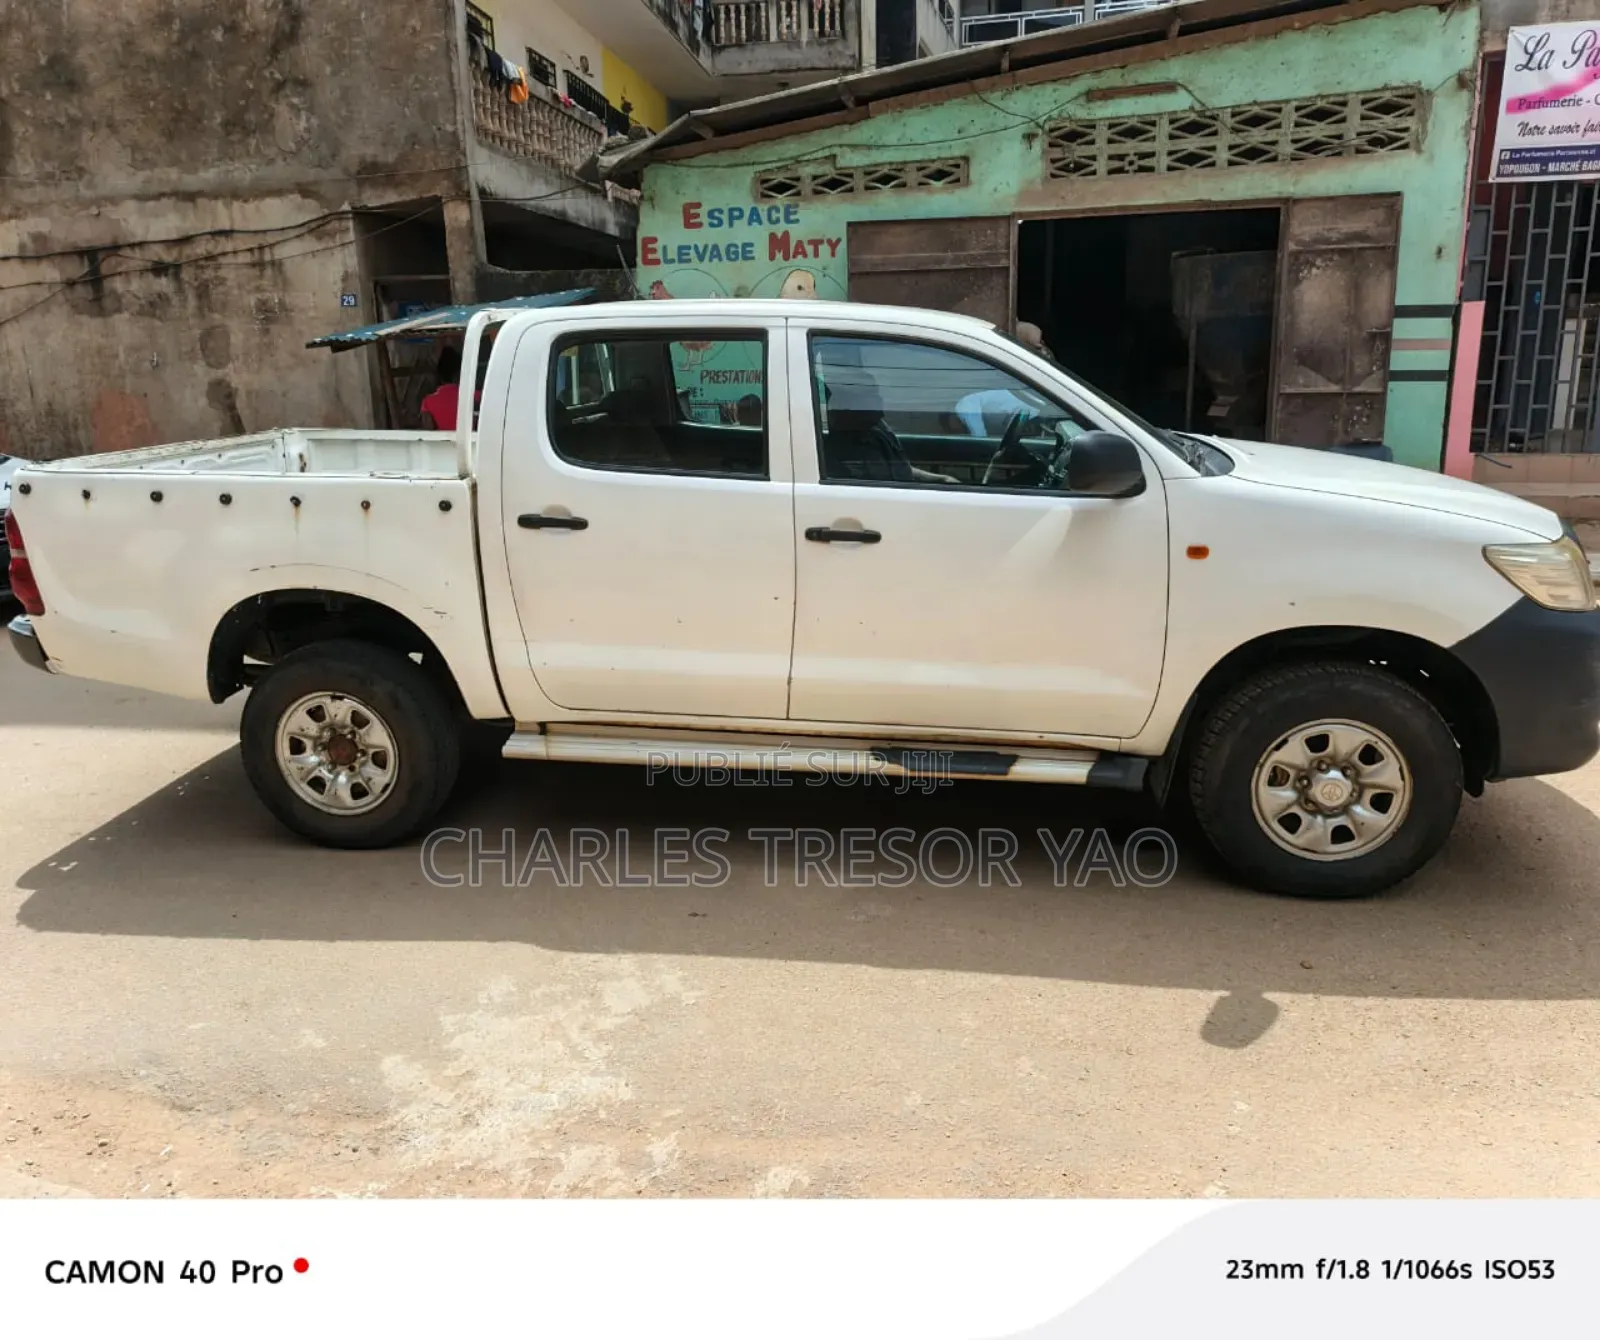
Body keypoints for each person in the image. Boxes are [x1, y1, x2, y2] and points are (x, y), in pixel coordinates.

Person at [420, 347, 463, 432]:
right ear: (459, 373)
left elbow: (428, 433)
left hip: (442, 445)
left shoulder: (428, 402)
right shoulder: (475, 397)